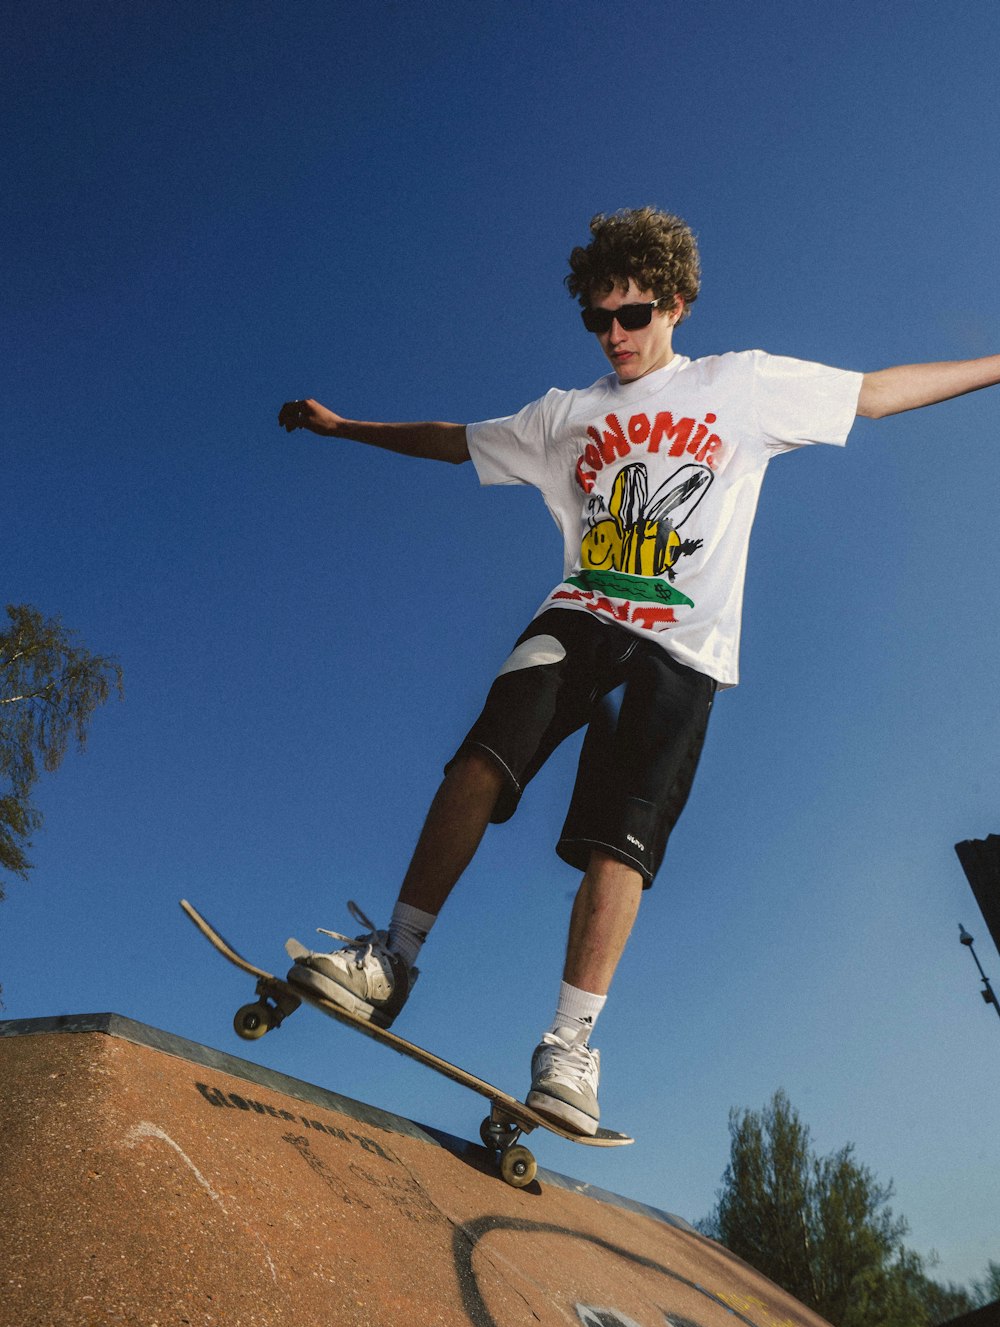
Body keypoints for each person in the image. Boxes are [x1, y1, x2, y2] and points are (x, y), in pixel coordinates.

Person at [278, 206, 1000, 1136]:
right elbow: (453, 438)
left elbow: (873, 393)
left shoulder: (740, 386)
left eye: (635, 316)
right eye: (598, 320)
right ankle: (393, 957)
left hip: (681, 647)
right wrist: (344, 429)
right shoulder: (564, 417)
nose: (615, 337)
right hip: (583, 614)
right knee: (481, 758)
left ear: (679, 306)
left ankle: (569, 1048)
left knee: (620, 839)